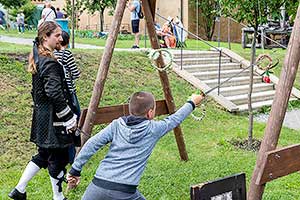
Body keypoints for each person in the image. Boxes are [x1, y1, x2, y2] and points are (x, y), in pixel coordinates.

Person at [66, 91, 204, 199]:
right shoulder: (154, 129)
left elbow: (92, 143)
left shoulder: (116, 125)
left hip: (97, 186)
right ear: (150, 113)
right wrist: (192, 102)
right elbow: (175, 119)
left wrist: (75, 170)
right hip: (125, 192)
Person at [8, 21, 77, 200]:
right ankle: (58, 197)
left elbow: (37, 92)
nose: (61, 38)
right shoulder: (49, 62)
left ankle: (19, 190)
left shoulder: (38, 56)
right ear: (46, 37)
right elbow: (54, 92)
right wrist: (68, 117)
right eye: (57, 35)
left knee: (44, 154)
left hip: (43, 116)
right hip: (55, 120)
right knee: (59, 159)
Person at [54, 30, 81, 164]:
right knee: (76, 119)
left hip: (59, 93)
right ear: (67, 41)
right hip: (69, 92)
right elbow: (76, 74)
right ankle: (73, 155)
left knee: (64, 124)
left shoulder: (52, 54)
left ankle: (64, 155)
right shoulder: (66, 54)